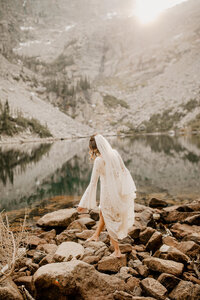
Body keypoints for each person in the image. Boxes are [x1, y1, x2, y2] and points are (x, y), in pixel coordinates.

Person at [77, 134, 136, 257]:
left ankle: (117, 251)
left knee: (109, 218)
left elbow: (93, 183)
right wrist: (125, 188)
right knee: (102, 212)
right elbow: (124, 170)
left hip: (107, 192)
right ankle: (96, 235)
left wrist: (83, 203)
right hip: (119, 188)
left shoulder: (99, 160)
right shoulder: (115, 153)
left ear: (94, 148)